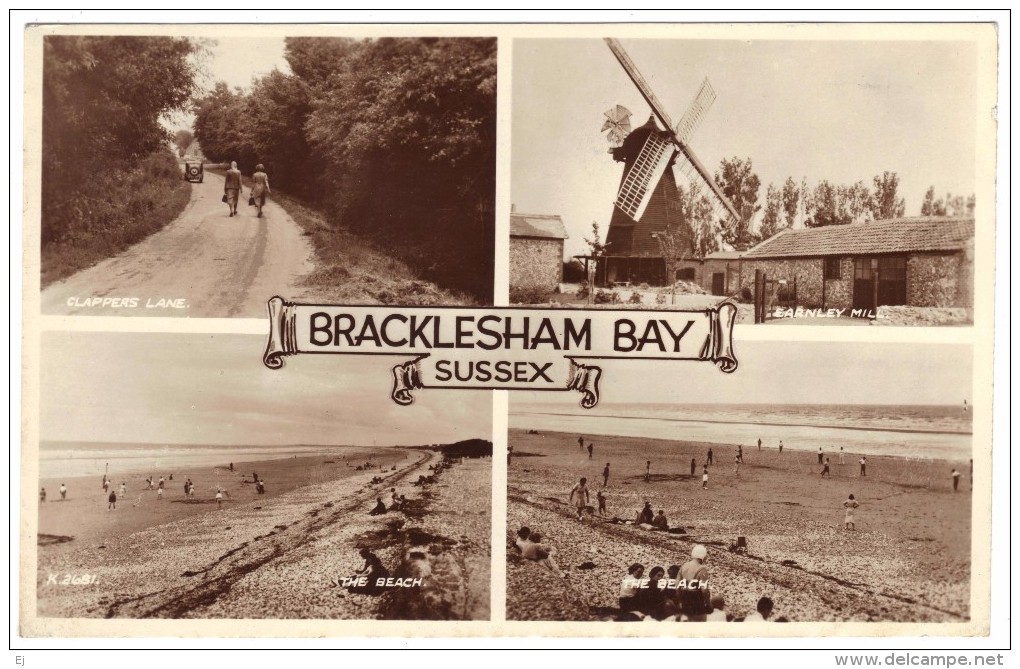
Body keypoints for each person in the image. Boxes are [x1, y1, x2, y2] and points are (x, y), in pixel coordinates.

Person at [679, 544, 712, 621]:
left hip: (685, 599)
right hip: (696, 601)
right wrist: (708, 604)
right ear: (702, 557)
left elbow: (678, 585)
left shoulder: (684, 566)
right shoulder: (702, 569)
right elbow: (704, 590)